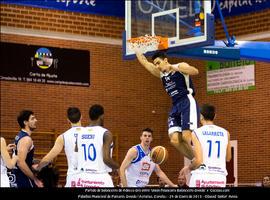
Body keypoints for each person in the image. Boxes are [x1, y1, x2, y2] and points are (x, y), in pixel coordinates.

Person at [135, 51, 199, 160]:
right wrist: (136, 49)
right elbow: (145, 63)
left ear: (165, 60)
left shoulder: (180, 66)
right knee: (174, 140)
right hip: (175, 105)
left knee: (186, 137)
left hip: (186, 101)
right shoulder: (161, 75)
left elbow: (195, 71)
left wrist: (175, 67)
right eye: (155, 64)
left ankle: (201, 159)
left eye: (158, 63)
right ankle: (196, 160)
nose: (157, 66)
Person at [181, 104, 232, 187]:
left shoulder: (196, 132)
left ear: (201, 116)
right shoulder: (226, 133)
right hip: (220, 178)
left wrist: (188, 168)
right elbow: (228, 158)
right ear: (214, 116)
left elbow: (199, 161)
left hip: (201, 176)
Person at [36, 107, 84, 187]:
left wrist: (37, 168)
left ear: (68, 120)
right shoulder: (92, 134)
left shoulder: (63, 137)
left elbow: (48, 158)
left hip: (74, 177)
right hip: (91, 176)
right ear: (81, 116)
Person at [74, 104, 119, 187]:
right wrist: (118, 167)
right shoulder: (106, 133)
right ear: (102, 116)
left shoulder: (79, 133)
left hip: (83, 178)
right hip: (100, 178)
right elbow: (106, 159)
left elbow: (76, 153)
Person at [11, 110, 43, 188]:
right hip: (23, 178)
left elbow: (20, 157)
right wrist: (35, 179)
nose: (36, 120)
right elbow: (20, 162)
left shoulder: (20, 135)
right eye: (32, 119)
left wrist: (34, 161)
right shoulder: (26, 139)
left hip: (17, 176)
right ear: (25, 122)